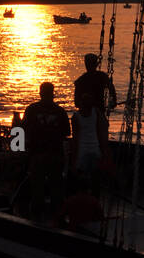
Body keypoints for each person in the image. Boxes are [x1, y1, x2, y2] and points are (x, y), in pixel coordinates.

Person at [21, 82, 71, 221]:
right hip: (55, 155)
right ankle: (57, 216)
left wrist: (20, 149)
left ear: (40, 93)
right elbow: (66, 133)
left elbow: (23, 129)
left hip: (38, 155)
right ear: (53, 93)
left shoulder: (31, 109)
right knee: (56, 187)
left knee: (37, 187)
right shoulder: (60, 111)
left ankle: (37, 217)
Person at [70, 91, 108, 193]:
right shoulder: (96, 113)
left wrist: (73, 159)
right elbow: (102, 131)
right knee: (95, 178)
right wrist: (104, 151)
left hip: (82, 151)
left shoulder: (76, 117)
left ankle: (83, 197)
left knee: (81, 179)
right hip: (95, 150)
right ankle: (94, 199)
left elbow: (75, 138)